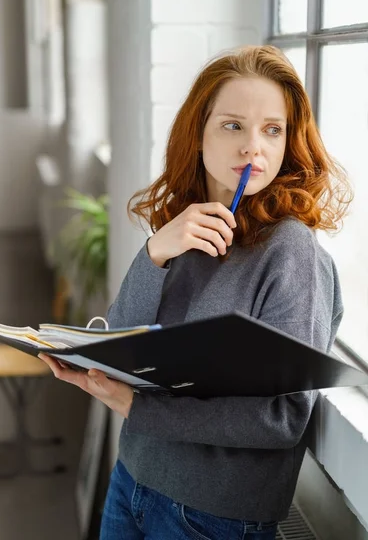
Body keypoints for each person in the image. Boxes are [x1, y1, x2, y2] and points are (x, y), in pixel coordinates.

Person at [40, 45, 353, 540]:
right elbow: (122, 339)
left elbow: (282, 417)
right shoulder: (186, 229)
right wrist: (155, 253)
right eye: (233, 125)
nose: (254, 147)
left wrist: (138, 409)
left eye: (273, 129)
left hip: (213, 517)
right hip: (132, 480)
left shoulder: (292, 253)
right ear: (198, 134)